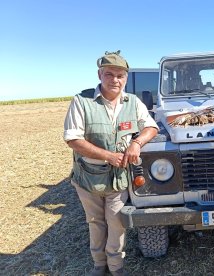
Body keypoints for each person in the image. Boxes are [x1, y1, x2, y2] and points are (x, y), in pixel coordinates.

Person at [63, 50, 159, 276]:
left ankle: (116, 267)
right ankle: (99, 265)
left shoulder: (132, 102)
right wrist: (108, 156)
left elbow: (151, 127)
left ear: (125, 78)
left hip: (119, 178)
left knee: (116, 223)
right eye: (109, 74)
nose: (115, 80)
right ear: (100, 75)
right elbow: (73, 139)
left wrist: (137, 143)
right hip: (88, 176)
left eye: (120, 75)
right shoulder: (82, 101)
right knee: (96, 222)